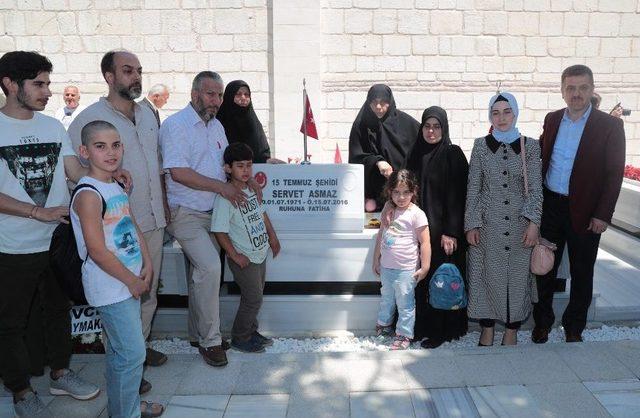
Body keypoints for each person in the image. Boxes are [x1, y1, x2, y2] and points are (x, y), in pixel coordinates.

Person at [0, 51, 102, 417]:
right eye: (38, 84)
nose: (47, 91)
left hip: (57, 243)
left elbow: (74, 169)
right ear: (11, 84)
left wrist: (101, 174)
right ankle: (22, 391)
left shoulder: (53, 127)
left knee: (58, 311)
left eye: (47, 83)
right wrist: (35, 211)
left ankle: (61, 373)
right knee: (10, 322)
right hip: (12, 247)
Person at [68, 50, 169, 388]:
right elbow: (75, 170)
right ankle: (127, 365)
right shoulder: (89, 117)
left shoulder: (149, 113)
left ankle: (134, 354)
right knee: (121, 297)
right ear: (109, 77)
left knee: (146, 293)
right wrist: (108, 174)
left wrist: (165, 207)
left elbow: (157, 163)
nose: (135, 77)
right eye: (127, 71)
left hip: (151, 221)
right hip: (112, 230)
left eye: (138, 71)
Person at [160, 71, 257, 367]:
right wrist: (224, 189)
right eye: (210, 94)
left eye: (219, 95)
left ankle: (196, 332)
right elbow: (179, 173)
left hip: (213, 213)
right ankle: (211, 341)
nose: (216, 101)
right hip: (185, 213)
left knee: (200, 275)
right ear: (194, 95)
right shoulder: (176, 126)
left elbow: (222, 167)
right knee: (210, 267)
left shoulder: (217, 127)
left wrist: (245, 182)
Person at [71, 120, 164, 418]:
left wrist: (147, 261)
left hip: (129, 280)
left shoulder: (114, 184)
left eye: (115, 145)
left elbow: (129, 221)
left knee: (120, 352)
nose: (110, 152)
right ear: (84, 151)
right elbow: (97, 251)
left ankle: (125, 407)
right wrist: (132, 282)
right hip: (112, 286)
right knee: (132, 354)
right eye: (100, 146)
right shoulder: (88, 194)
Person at [532, 65, 626, 344]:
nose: (576, 94)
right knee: (543, 268)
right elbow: (540, 155)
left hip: (586, 212)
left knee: (582, 271)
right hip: (551, 207)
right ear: (562, 91)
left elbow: (614, 174)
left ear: (592, 89)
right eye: (570, 88)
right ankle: (542, 323)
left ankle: (574, 327)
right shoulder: (551, 120)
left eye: (583, 88)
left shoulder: (608, 126)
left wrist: (603, 214)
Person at [465, 92, 542, 346]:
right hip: (488, 226)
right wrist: (472, 224)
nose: (501, 118)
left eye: (506, 111)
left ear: (515, 113)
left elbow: (535, 189)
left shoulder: (529, 146)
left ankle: (511, 330)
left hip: (520, 226)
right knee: (484, 275)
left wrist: (533, 222)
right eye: (495, 113)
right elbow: (474, 187)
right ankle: (487, 329)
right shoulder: (480, 146)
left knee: (517, 279)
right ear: (490, 116)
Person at [405, 106, 469, 349]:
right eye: (427, 126)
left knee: (442, 281)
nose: (431, 131)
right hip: (420, 235)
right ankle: (420, 327)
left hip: (444, 236)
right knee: (420, 281)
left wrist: (451, 231)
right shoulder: (415, 154)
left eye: (436, 126)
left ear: (444, 128)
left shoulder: (452, 154)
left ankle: (442, 331)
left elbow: (459, 196)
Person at [211, 143, 281, 352]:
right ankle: (240, 337)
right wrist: (234, 255)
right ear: (227, 168)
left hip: (260, 253)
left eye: (249, 166)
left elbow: (262, 213)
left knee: (256, 295)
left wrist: (273, 237)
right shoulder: (225, 198)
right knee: (253, 298)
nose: (245, 171)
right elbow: (219, 231)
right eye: (240, 166)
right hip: (244, 257)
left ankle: (251, 331)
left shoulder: (252, 189)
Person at [372, 169, 431, 350]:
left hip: (407, 269)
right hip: (386, 267)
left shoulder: (417, 214)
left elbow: (425, 242)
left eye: (406, 192)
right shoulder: (388, 211)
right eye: (396, 192)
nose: (401, 197)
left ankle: (404, 335)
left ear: (413, 192)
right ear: (390, 192)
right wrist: (376, 259)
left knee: (405, 304)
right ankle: (383, 327)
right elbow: (381, 235)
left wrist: (426, 266)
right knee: (387, 299)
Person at [349, 84, 420, 212]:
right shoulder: (360, 125)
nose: (378, 107)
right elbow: (356, 157)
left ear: (390, 102)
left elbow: (425, 139)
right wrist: (377, 161)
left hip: (402, 194)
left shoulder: (405, 122)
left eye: (383, 103)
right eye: (374, 102)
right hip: (373, 197)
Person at [216, 80, 280, 164]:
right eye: (238, 94)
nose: (243, 98)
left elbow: (262, 153)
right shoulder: (218, 123)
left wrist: (268, 161)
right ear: (229, 96)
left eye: (246, 95)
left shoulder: (255, 124)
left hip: (254, 173)